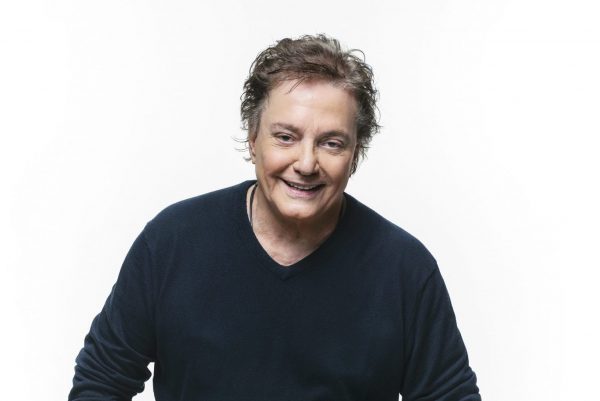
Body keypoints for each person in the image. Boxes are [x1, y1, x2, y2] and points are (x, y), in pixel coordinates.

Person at [69, 34, 481, 400]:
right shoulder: (172, 242)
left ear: (355, 154)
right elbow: (101, 382)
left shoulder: (405, 269)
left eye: (331, 143)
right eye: (286, 137)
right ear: (253, 139)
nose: (306, 163)